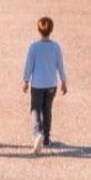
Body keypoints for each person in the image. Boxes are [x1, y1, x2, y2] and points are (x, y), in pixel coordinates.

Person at [20, 16, 67, 153]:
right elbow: (60, 66)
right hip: (51, 85)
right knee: (47, 110)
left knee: (35, 109)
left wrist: (26, 80)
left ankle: (37, 134)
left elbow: (29, 65)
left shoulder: (34, 47)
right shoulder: (56, 47)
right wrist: (63, 81)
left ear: (38, 30)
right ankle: (46, 139)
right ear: (51, 30)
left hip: (37, 85)